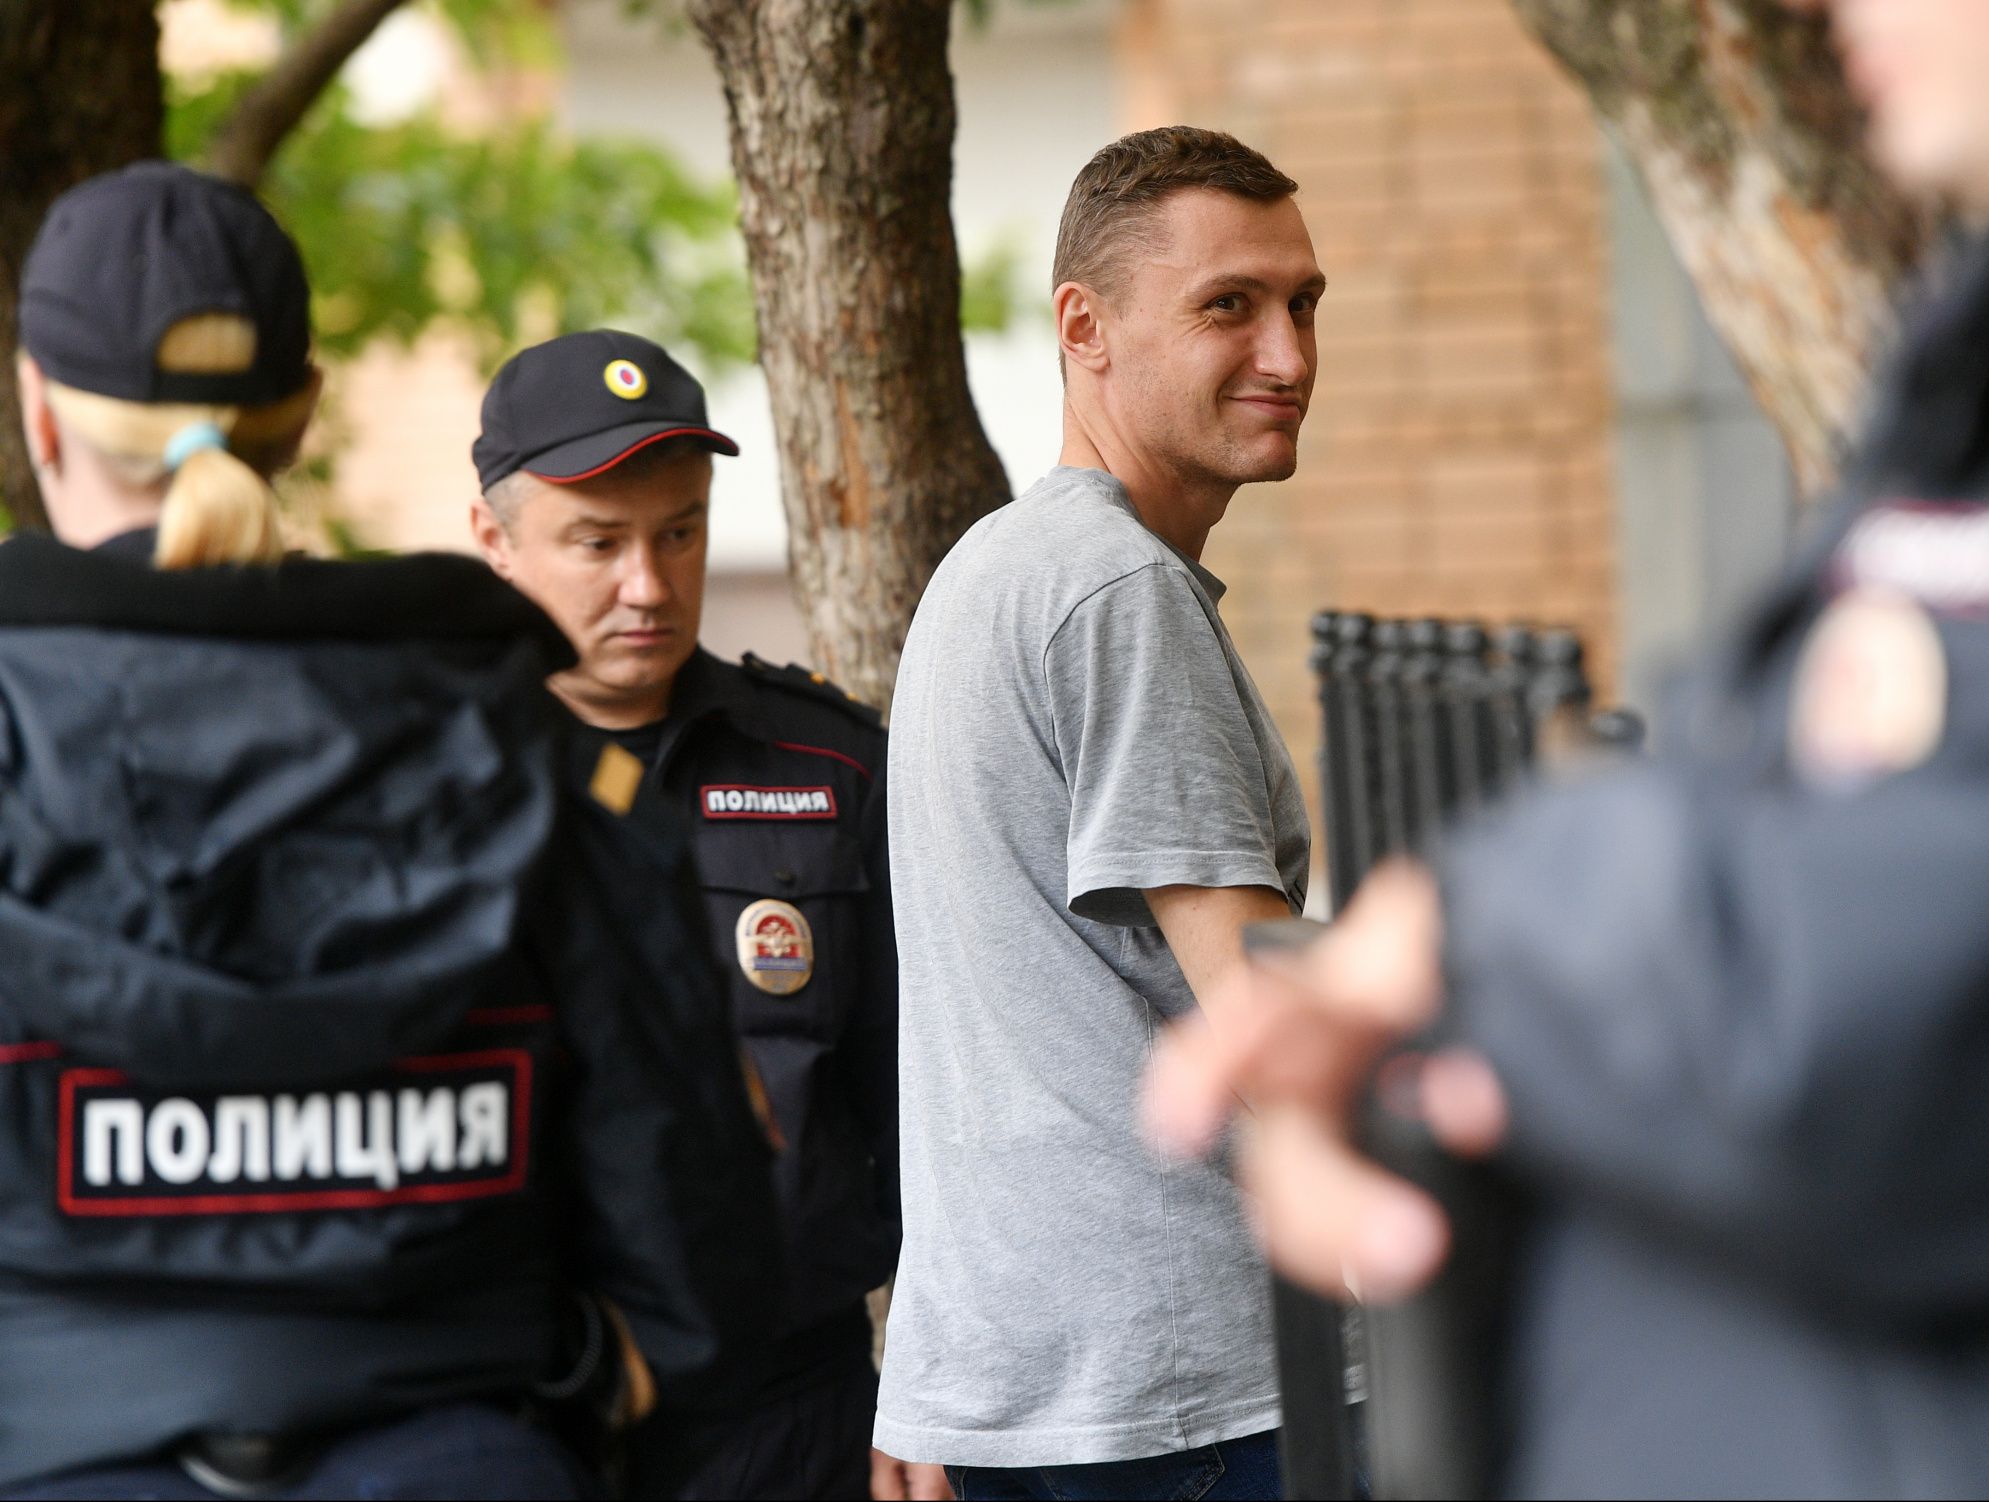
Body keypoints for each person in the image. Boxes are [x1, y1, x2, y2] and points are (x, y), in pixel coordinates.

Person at [1149, 0, 1989, 1494]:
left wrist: (1453, 941)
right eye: (1230, 306)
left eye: (1303, 303)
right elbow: (1758, 771)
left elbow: (1871, 1004)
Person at [0, 162, 782, 1499]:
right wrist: (567, 1391)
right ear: (302, 413)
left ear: (39, 414)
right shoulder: (522, 747)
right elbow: (698, 1240)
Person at [871, 127, 1322, 1501]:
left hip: (1039, 1380)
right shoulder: (1115, 591)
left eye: (1303, 304)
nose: (1289, 354)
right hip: (1178, 1387)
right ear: (1085, 328)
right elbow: (1263, 1015)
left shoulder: (1001, 567)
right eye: (1228, 305)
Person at [468, 330, 936, 1502]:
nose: (649, 583)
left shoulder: (827, 767)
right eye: (598, 542)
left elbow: (927, 1099)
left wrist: (937, 1373)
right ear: (495, 539)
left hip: (789, 1410)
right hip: (515, 1411)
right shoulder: (428, 784)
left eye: (680, 532)